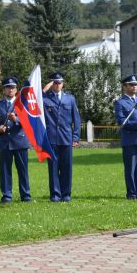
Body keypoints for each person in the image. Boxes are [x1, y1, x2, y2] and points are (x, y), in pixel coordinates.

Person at [0, 76, 31, 203]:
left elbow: (28, 122)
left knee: (23, 170)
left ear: (16, 89)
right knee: (5, 170)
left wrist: (16, 119)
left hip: (20, 141)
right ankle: (7, 195)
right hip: (5, 141)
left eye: (12, 87)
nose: (10, 90)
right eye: (8, 87)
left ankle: (25, 195)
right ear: (4, 90)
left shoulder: (23, 104)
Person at [42, 72, 81, 202]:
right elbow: (34, 101)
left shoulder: (70, 99)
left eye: (59, 82)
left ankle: (66, 194)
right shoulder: (45, 99)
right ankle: (55, 195)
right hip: (51, 139)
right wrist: (45, 89)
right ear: (51, 83)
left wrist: (75, 137)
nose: (57, 85)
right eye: (55, 82)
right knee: (53, 168)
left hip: (66, 138)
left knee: (66, 168)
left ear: (63, 84)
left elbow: (77, 119)